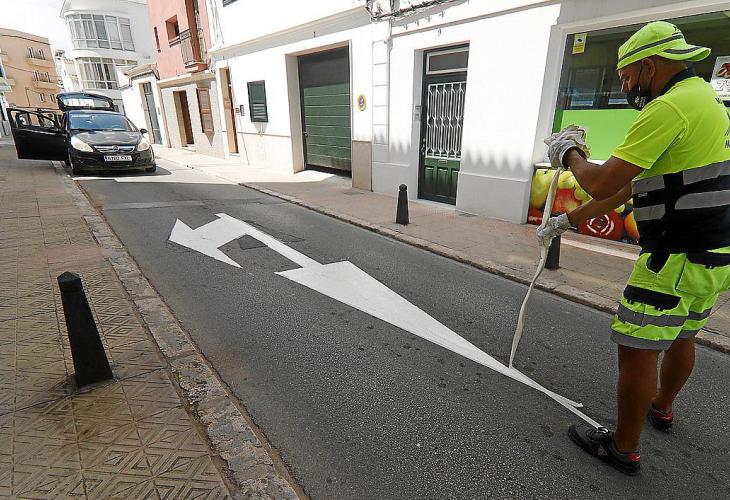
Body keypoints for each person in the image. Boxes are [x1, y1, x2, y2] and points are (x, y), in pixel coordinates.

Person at [539, 21, 730, 475]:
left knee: (638, 347)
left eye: (626, 77)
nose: (625, 87)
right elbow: (628, 188)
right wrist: (567, 221)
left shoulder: (669, 108)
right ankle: (662, 407)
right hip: (715, 255)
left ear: (650, 66)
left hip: (674, 255)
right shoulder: (706, 100)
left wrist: (568, 153)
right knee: (684, 334)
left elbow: (602, 181)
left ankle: (623, 448)